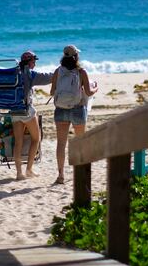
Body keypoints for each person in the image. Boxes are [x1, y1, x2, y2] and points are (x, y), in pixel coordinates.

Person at [49, 45, 98, 184]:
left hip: (60, 110)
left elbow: (52, 92)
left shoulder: (58, 71)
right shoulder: (81, 71)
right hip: (77, 109)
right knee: (81, 142)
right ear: (76, 56)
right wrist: (96, 88)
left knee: (61, 144)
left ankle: (60, 175)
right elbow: (88, 92)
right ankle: (81, 173)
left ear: (64, 56)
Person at [12, 50, 52, 180]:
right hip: (26, 111)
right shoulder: (29, 74)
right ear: (29, 62)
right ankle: (29, 169)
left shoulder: (13, 73)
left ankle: (19, 173)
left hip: (14, 111)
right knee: (36, 138)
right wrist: (59, 72)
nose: (34, 64)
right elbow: (47, 77)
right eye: (34, 61)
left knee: (18, 142)